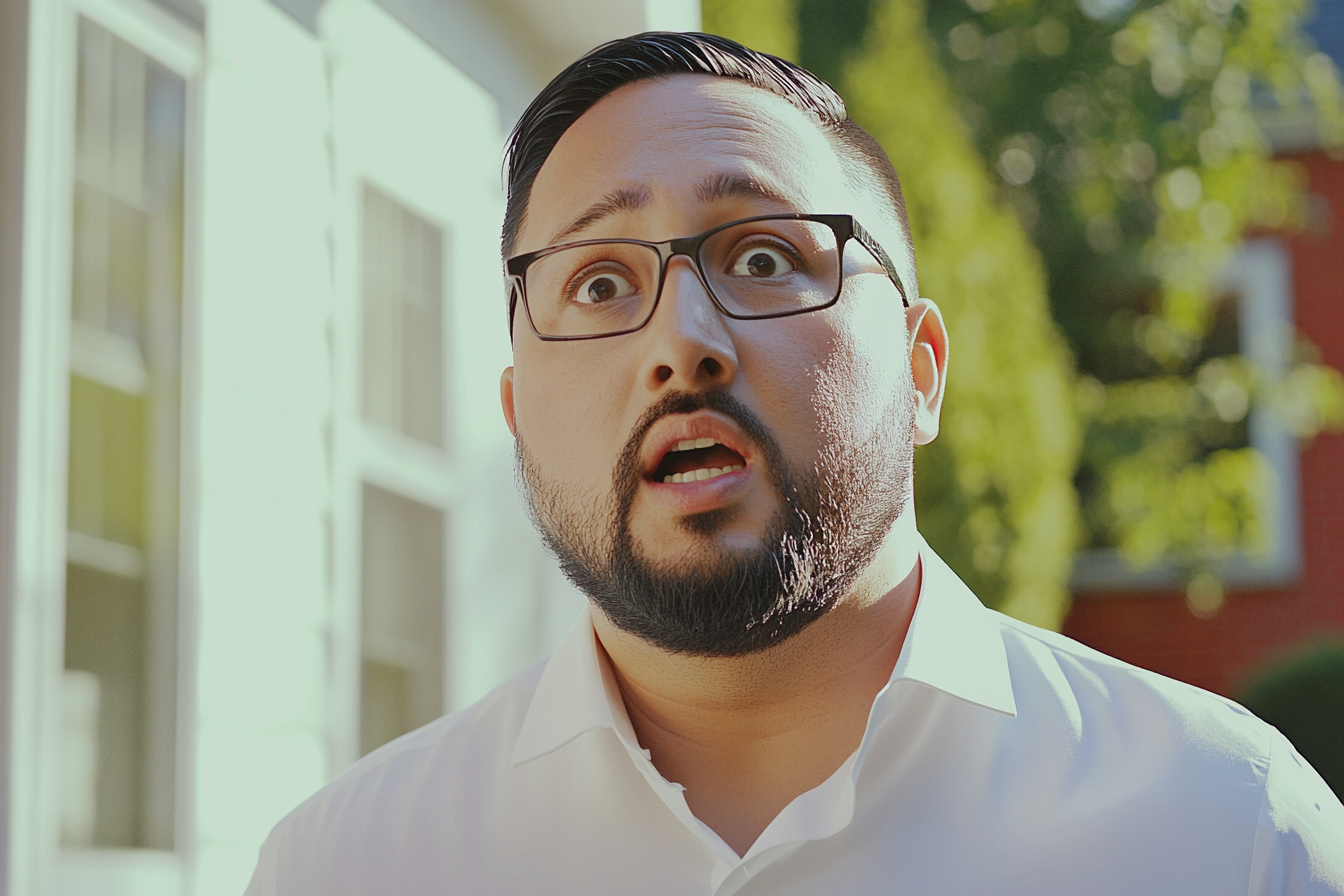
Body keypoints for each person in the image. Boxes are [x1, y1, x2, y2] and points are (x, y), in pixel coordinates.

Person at [244, 32, 1344, 896]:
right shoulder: (343, 866)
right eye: (597, 282)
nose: (682, 341)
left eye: (765, 256)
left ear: (921, 369)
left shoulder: (1231, 829)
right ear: (518, 411)